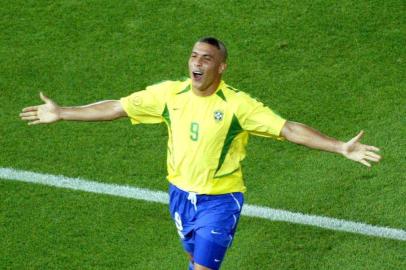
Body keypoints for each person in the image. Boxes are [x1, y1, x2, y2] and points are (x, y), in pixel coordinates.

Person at [20, 37, 381, 270]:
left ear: (220, 67)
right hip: (179, 195)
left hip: (220, 200)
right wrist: (64, 111)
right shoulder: (169, 94)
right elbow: (117, 107)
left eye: (206, 58)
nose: (197, 62)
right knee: (193, 259)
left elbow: (287, 129)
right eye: (194, 55)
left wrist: (339, 146)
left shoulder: (239, 105)